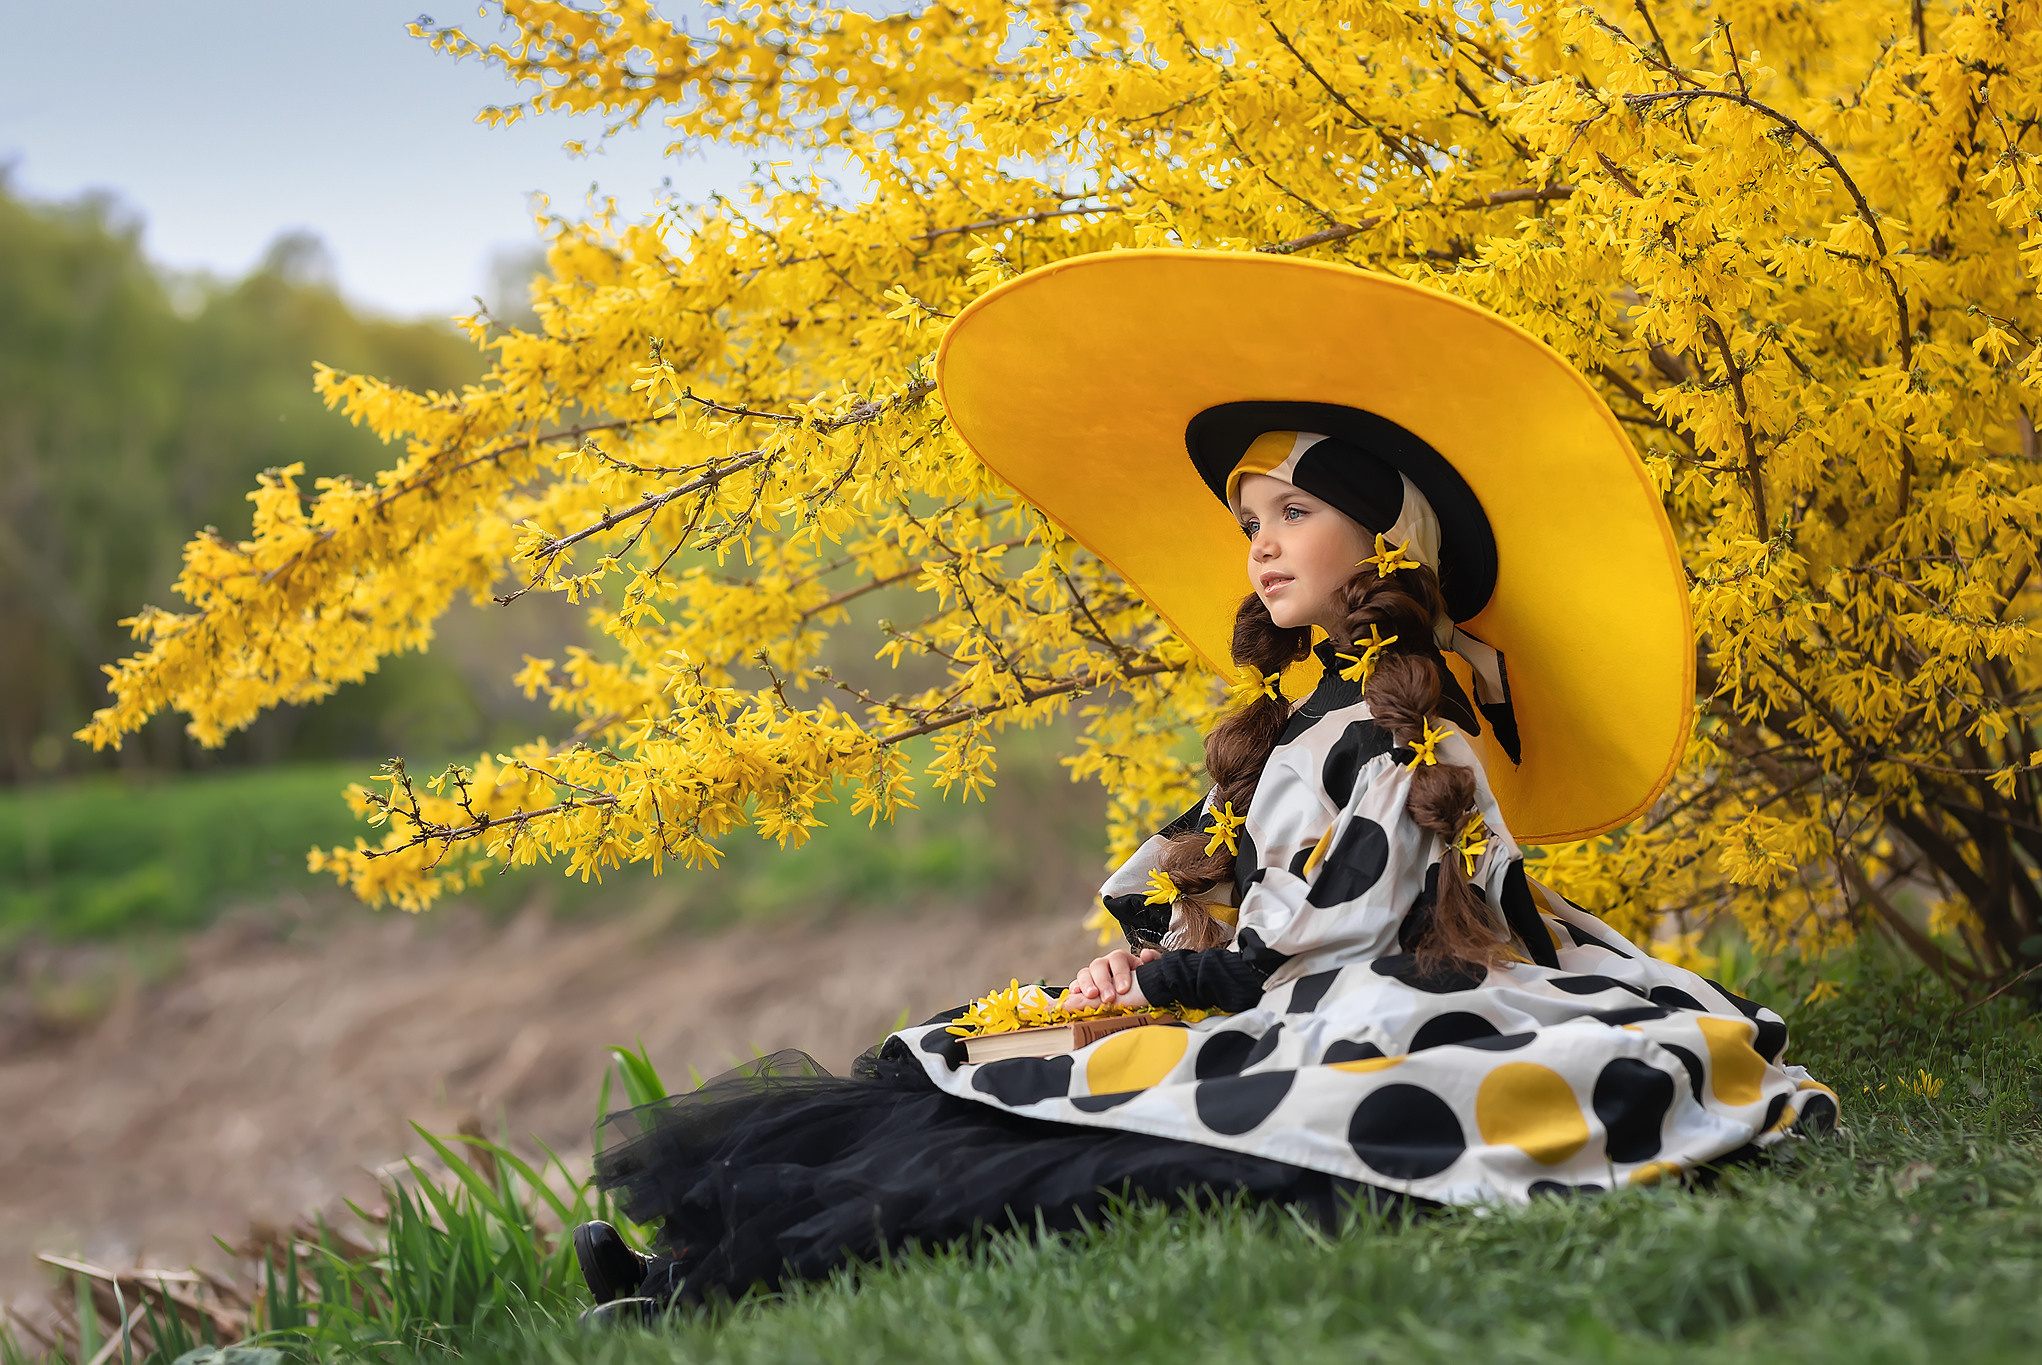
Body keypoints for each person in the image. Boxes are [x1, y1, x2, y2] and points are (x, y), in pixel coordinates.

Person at [570, 251, 1838, 1323]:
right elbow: (1221, 896)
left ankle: (709, 1287)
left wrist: (1180, 979)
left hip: (1369, 996)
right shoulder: (1293, 723)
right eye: (1250, 522)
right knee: (969, 1056)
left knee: (1136, 1126)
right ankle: (700, 1262)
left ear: (1381, 546)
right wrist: (1149, 957)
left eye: (1293, 511)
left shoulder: (1400, 728)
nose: (1263, 544)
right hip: (1270, 984)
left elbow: (1332, 914)